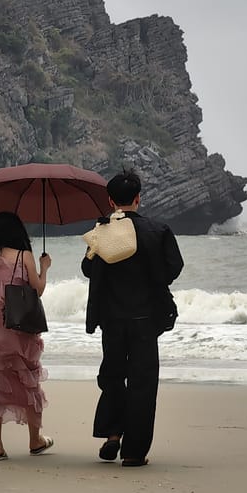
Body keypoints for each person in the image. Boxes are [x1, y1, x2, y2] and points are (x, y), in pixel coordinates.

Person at [81, 170, 184, 467]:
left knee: (112, 377)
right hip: (145, 320)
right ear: (138, 198)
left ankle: (113, 434)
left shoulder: (101, 232)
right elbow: (173, 268)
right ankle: (134, 452)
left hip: (112, 320)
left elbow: (88, 271)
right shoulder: (158, 230)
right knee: (142, 382)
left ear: (111, 200)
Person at [0, 211, 54, 460]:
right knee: (28, 381)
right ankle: (35, 440)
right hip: (20, 330)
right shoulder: (24, 255)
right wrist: (44, 268)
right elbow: (37, 291)